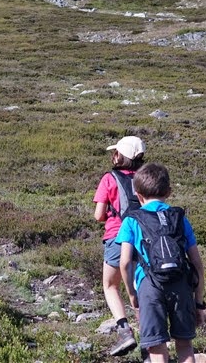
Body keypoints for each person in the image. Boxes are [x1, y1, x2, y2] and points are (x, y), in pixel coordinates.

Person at [117, 163, 206, 363]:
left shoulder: (132, 220)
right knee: (184, 345)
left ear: (138, 194)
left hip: (149, 287)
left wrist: (133, 296)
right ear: (169, 191)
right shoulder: (179, 218)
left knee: (156, 347)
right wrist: (199, 302)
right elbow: (197, 263)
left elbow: (124, 263)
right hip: (181, 285)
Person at [93, 135, 147, 357]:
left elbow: (98, 215)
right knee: (142, 288)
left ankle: (125, 331)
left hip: (117, 237)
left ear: (120, 155)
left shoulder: (109, 178)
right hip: (144, 239)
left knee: (110, 285)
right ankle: (150, 341)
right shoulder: (146, 178)